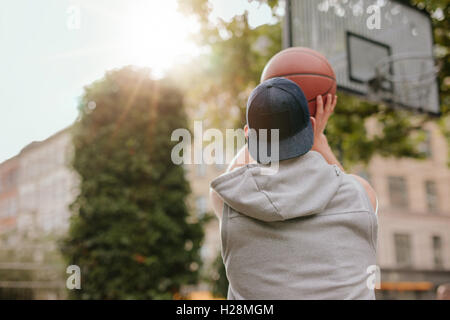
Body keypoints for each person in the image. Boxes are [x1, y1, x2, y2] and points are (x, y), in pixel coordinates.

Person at [209, 77, 378, 299]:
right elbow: (341, 178)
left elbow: (233, 175)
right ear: (313, 126)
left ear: (249, 137)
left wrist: (257, 132)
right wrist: (319, 140)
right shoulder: (361, 193)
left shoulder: (226, 200)